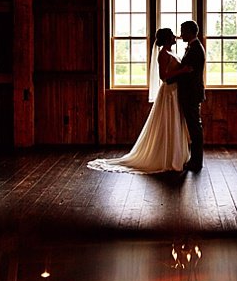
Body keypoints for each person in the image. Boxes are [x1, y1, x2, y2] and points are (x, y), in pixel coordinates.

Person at [87, 28, 193, 173]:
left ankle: (175, 156)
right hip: (169, 92)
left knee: (174, 123)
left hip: (175, 92)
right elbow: (164, 76)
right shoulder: (163, 54)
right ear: (168, 38)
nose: (176, 36)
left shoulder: (172, 52)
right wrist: (182, 71)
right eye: (172, 35)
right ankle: (166, 157)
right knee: (168, 123)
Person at [166, 20, 205, 172]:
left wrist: (169, 78)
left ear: (190, 31)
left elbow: (188, 73)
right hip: (190, 93)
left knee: (195, 127)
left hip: (192, 94)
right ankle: (195, 160)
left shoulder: (195, 49)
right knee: (194, 127)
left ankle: (196, 162)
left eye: (183, 31)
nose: (181, 34)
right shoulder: (192, 47)